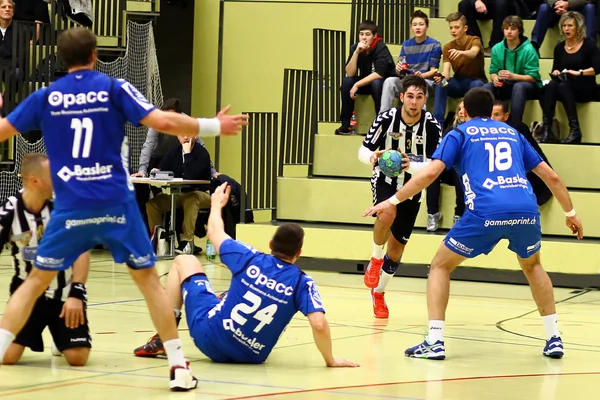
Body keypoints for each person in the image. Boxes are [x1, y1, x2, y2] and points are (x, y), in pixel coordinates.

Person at [0, 27, 247, 391]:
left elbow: (3, 130)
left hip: (71, 206)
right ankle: (178, 367)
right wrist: (211, 125)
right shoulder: (114, 89)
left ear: (60, 58)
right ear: (95, 55)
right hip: (116, 202)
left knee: (35, 281)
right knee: (149, 283)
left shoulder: (45, 96)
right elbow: (163, 121)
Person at [364, 88, 583, 360]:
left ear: (464, 111)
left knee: (440, 265)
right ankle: (554, 338)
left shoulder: (460, 133)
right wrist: (570, 212)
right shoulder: (512, 132)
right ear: (492, 110)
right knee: (533, 265)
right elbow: (552, 178)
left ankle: (434, 339)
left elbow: (431, 172)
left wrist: (392, 201)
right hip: (526, 209)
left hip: (486, 211)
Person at [134, 183, 359, 368]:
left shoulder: (249, 257)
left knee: (184, 260)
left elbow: (214, 232)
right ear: (298, 254)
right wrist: (330, 360)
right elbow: (318, 324)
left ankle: (164, 337)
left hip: (209, 339)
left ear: (270, 244)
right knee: (227, 295)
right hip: (253, 356)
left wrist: (216, 204)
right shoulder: (302, 282)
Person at [358, 75, 442, 318]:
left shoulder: (432, 126)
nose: (414, 102)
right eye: (410, 96)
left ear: (425, 99)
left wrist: (412, 165)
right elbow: (364, 150)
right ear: (402, 97)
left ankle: (379, 293)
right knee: (387, 211)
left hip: (413, 188)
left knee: (395, 251)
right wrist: (372, 157)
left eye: (419, 97)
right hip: (384, 179)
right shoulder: (386, 118)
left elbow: (437, 165)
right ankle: (374, 261)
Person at [1, 153, 91, 366]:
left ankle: (61, 339)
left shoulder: (65, 207)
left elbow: (81, 251)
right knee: (7, 357)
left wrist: (77, 293)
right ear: (35, 181)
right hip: (26, 294)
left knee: (78, 358)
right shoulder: (9, 210)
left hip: (63, 293)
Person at [538, 11, 600, 144]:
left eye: (570, 25)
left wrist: (579, 73)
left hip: (586, 87)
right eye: (564, 26)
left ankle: (575, 130)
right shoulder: (560, 47)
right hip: (565, 86)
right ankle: (547, 129)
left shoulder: (589, 45)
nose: (567, 29)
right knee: (551, 85)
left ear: (578, 27)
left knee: (563, 86)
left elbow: (597, 69)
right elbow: (556, 68)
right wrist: (555, 72)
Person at [145, 134, 213, 254]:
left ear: (195, 136)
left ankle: (187, 242)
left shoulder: (202, 153)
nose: (186, 137)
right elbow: (162, 169)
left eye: (189, 133)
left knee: (191, 198)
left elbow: (190, 176)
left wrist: (187, 154)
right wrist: (156, 172)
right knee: (153, 204)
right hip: (179, 194)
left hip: (201, 194)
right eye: (182, 134)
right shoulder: (174, 152)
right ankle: (161, 241)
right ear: (177, 137)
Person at [335, 20, 395, 135]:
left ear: (374, 36)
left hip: (384, 82)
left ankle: (380, 124)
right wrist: (356, 52)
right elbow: (350, 73)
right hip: (366, 81)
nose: (364, 38)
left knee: (376, 83)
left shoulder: (380, 47)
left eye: (367, 34)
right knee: (347, 82)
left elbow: (379, 73)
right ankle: (345, 125)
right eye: (361, 34)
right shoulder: (355, 47)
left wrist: (357, 84)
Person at [491, 100, 553, 206]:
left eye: (496, 115)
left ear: (506, 117)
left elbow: (532, 159)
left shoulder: (517, 129)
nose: (492, 119)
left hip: (529, 185)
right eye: (489, 115)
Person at [483, 15, 542, 125]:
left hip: (527, 86)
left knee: (518, 86)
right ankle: (485, 123)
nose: (509, 32)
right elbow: (493, 71)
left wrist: (513, 77)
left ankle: (515, 125)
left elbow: (533, 77)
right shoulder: (497, 48)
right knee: (487, 87)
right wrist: (495, 78)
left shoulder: (529, 50)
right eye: (506, 29)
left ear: (519, 31)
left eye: (513, 29)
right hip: (506, 84)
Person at [433, 12, 487, 129]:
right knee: (441, 84)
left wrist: (461, 53)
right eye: (451, 27)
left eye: (457, 27)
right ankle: (438, 125)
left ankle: (472, 121)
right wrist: (442, 77)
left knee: (477, 85)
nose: (453, 30)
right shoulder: (448, 47)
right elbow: (446, 72)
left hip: (476, 80)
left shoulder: (474, 40)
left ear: (465, 28)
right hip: (458, 82)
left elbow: (473, 53)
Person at [380, 10, 442, 111]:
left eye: (421, 24)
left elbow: (433, 71)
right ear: (411, 28)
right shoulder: (406, 44)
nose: (417, 27)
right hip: (408, 80)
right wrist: (398, 69)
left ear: (427, 27)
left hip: (426, 81)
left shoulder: (435, 45)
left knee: (420, 83)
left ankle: (421, 119)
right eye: (414, 25)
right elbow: (400, 72)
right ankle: (383, 118)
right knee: (389, 81)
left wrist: (421, 76)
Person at [426, 101, 466, 231]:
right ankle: (433, 213)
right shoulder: (450, 130)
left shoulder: (475, 130)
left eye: (464, 109)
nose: (461, 112)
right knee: (433, 172)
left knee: (458, 170)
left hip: (466, 171)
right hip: (449, 169)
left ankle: (459, 215)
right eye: (459, 109)